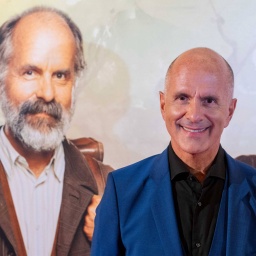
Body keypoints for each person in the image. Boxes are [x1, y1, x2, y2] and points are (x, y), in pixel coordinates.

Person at [91, 47, 256, 256]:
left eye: (209, 101)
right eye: (182, 98)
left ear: (230, 111)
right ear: (163, 105)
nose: (194, 115)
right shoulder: (121, 191)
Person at [0, 6, 111, 256]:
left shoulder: (109, 188)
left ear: (75, 84)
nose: (47, 94)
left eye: (60, 75)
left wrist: (115, 241)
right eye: (30, 72)